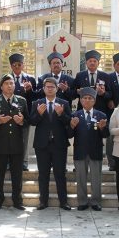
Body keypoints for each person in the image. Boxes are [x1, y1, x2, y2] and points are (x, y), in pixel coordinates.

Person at [0, 74, 29, 210]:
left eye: (12, 83)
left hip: (17, 143)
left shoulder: (21, 101)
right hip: (0, 143)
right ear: (1, 86)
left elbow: (28, 121)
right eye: (7, 84)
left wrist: (21, 121)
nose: (10, 86)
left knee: (17, 174)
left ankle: (17, 200)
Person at [29, 77, 72, 210]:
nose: (49, 89)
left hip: (59, 144)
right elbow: (32, 122)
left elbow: (68, 122)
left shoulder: (64, 103)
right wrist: (39, 114)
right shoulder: (37, 103)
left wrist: (61, 114)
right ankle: (43, 201)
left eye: (52, 87)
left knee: (60, 174)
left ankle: (63, 202)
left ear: (57, 88)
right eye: (47, 87)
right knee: (43, 174)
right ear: (43, 88)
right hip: (42, 145)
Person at [69, 87, 109, 211]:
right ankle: (82, 201)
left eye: (90, 98)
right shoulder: (75, 115)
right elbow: (69, 135)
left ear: (94, 100)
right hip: (80, 151)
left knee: (96, 178)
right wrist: (72, 126)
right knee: (81, 177)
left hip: (95, 151)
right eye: (85, 98)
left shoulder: (101, 115)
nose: (87, 100)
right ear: (80, 100)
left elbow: (106, 135)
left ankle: (96, 201)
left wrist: (103, 128)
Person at [8, 53, 37, 171]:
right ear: (11, 66)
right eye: (14, 65)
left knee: (24, 138)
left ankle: (24, 162)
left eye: (19, 64)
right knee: (10, 138)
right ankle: (10, 162)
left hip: (25, 114)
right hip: (9, 114)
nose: (17, 67)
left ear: (23, 65)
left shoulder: (30, 79)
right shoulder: (6, 78)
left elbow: (35, 97)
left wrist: (29, 90)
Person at [74, 50, 113, 115]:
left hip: (100, 110)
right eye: (90, 61)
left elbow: (110, 94)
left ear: (98, 63)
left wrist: (103, 93)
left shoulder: (105, 76)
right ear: (86, 63)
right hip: (83, 110)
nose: (92, 63)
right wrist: (78, 92)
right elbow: (73, 93)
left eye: (94, 61)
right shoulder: (80, 75)